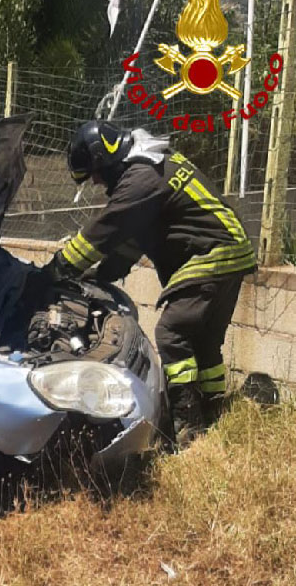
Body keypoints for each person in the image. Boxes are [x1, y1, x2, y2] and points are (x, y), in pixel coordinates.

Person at [44, 121, 256, 446]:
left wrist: (57, 271)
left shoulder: (140, 179)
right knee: (205, 340)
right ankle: (213, 411)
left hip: (211, 254)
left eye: (96, 174)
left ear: (106, 159)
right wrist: (101, 275)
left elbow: (104, 231)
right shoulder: (150, 167)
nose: (97, 182)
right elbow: (133, 240)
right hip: (231, 250)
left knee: (172, 334)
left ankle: (187, 428)